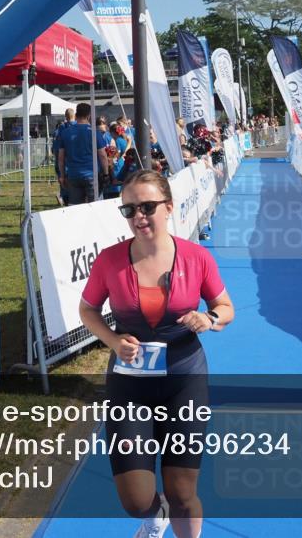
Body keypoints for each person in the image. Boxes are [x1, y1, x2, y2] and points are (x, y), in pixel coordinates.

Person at [79, 170, 234, 538]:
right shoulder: (109, 261)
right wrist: (113, 341)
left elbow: (226, 308)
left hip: (184, 380)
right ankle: (154, 514)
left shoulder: (196, 257)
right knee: (135, 501)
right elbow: (87, 310)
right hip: (129, 386)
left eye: (147, 207)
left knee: (182, 494)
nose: (139, 217)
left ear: (169, 207)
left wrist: (208, 318)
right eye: (129, 210)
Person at [56, 103, 106, 206]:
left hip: (73, 175)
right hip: (92, 175)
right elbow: (102, 155)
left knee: (76, 208)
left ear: (76, 114)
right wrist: (106, 173)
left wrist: (62, 176)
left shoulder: (65, 132)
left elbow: (60, 158)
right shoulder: (94, 132)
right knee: (96, 207)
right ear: (89, 115)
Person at [52, 111, 75, 206]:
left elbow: (56, 149)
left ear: (65, 116)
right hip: (73, 163)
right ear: (74, 115)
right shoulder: (79, 126)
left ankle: (65, 199)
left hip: (63, 162)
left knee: (64, 184)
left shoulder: (60, 129)